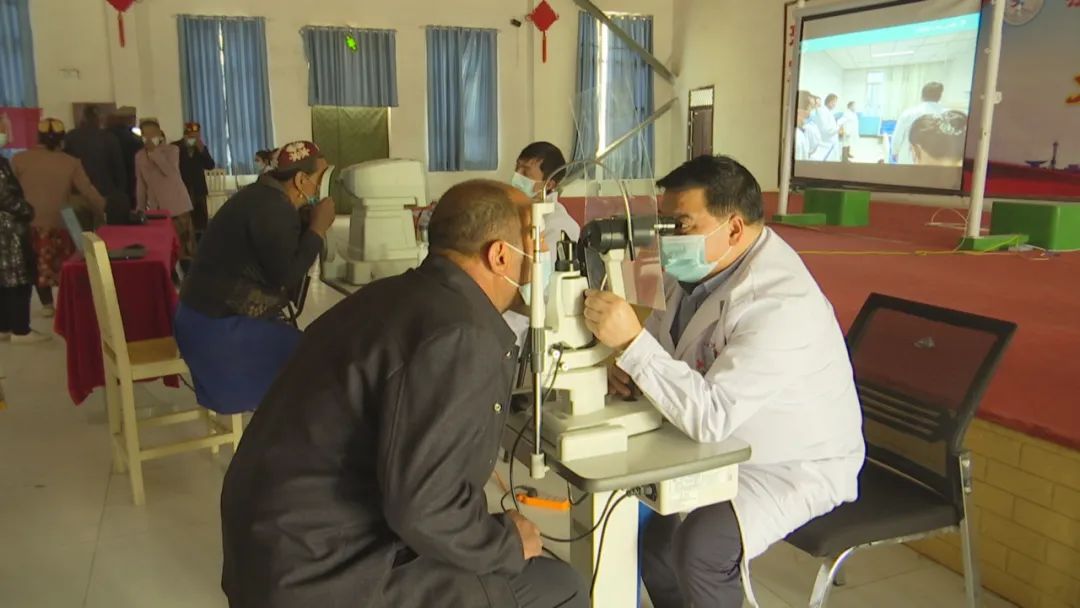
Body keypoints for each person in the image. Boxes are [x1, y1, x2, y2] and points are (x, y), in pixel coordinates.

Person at [219, 179, 587, 608]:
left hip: (270, 548)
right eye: (533, 238)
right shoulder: (462, 332)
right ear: (500, 255)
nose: (541, 252)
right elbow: (423, 509)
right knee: (560, 586)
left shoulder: (391, 296)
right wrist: (506, 543)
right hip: (321, 575)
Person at [582, 155, 864, 607]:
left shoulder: (781, 303)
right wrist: (630, 370)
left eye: (681, 225)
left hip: (791, 463)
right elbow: (664, 352)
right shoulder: (696, 275)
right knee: (649, 535)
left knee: (702, 549)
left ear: (733, 228)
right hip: (725, 441)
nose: (667, 239)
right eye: (664, 224)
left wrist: (633, 346)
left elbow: (712, 417)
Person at [174, 141, 335, 414]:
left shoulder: (260, 196)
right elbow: (287, 276)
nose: (321, 187)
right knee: (317, 358)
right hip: (217, 334)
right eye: (320, 178)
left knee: (308, 347)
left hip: (198, 318)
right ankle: (292, 429)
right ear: (301, 180)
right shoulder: (273, 209)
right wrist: (317, 230)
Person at [12, 118, 105, 316]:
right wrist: (105, 210)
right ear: (62, 140)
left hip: (30, 220)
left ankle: (47, 304)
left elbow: (11, 193)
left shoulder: (19, 159)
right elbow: (88, 191)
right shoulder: (71, 162)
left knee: (37, 263)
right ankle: (70, 302)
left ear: (38, 137)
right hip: (64, 218)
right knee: (71, 261)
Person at [0, 145, 48, 344]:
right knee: (19, 278)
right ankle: (21, 329)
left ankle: (4, 327)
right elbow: (5, 196)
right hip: (9, 229)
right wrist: (26, 210)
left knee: (4, 280)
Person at [134, 118, 196, 262]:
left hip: (177, 205)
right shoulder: (139, 156)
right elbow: (141, 184)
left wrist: (154, 152)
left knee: (183, 247)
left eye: (152, 135)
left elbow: (169, 171)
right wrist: (140, 208)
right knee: (163, 247)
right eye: (145, 136)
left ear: (159, 135)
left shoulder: (172, 150)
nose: (149, 139)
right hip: (156, 208)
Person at [511, 141, 581, 246]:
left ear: (548, 184)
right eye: (517, 168)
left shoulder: (560, 224)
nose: (516, 176)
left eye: (525, 172)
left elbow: (545, 257)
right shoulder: (516, 209)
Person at [63, 105, 126, 202]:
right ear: (99, 119)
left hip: (79, 192)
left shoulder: (71, 136)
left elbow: (65, 165)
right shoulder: (109, 138)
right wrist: (120, 194)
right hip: (105, 191)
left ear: (84, 117)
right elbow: (119, 169)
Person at [173, 122, 216, 232]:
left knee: (201, 223)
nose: (194, 139)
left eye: (197, 136)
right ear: (185, 135)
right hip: (182, 189)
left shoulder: (200, 148)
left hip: (199, 190)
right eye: (192, 136)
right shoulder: (175, 147)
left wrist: (202, 149)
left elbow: (210, 165)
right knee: (184, 224)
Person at [891, 82, 946, 164]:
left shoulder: (908, 113)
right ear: (940, 96)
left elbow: (897, 137)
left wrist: (894, 152)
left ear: (922, 96)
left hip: (908, 160)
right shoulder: (948, 115)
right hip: (937, 163)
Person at [106, 106, 143, 208]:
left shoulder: (105, 135)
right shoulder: (133, 139)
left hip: (109, 186)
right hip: (130, 184)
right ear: (129, 119)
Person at [810, 93, 841, 161]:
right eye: (834, 102)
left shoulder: (827, 112)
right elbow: (826, 130)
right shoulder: (822, 111)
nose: (835, 104)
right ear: (829, 102)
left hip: (831, 142)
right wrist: (838, 129)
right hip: (828, 143)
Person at [794, 90, 813, 162]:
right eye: (810, 107)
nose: (811, 111)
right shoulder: (798, 136)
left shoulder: (800, 132)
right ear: (800, 111)